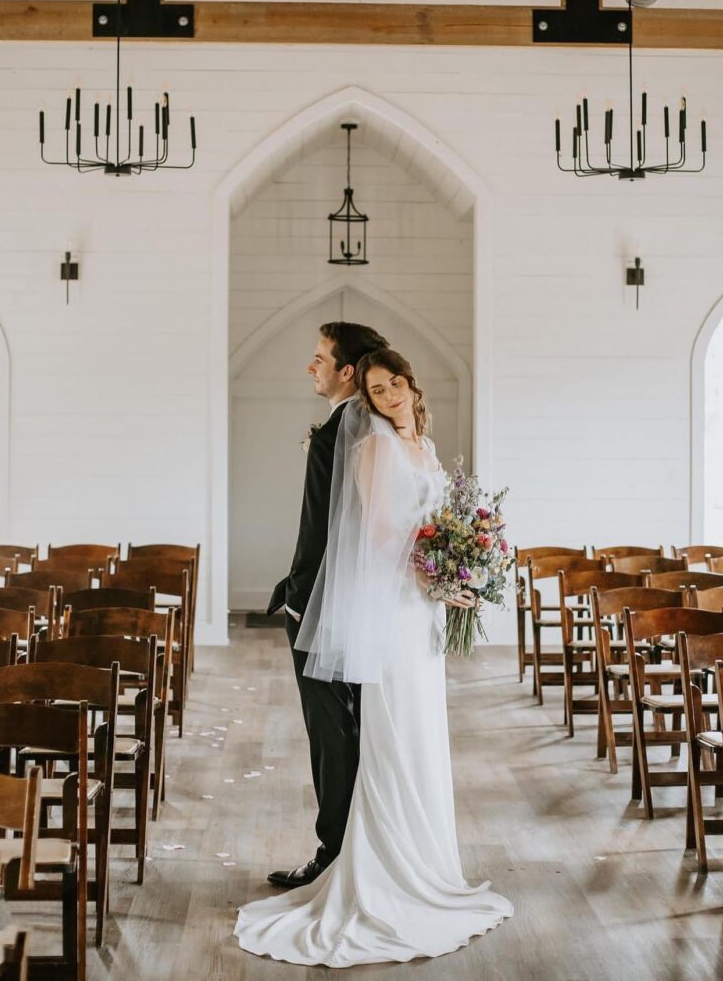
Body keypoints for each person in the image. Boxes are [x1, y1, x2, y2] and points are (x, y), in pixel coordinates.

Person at [236, 347, 512, 967]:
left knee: (422, 732)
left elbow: (438, 522)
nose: (387, 399)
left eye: (394, 387)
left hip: (423, 612)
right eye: (376, 392)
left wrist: (464, 567)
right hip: (397, 608)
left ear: (413, 386)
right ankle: (384, 872)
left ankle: (430, 862)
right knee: (393, 732)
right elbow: (380, 534)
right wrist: (440, 575)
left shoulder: (427, 452)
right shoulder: (374, 449)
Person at [266, 321, 389, 889]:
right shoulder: (371, 427)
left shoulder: (341, 430)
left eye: (319, 358)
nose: (309, 366)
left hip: (322, 605)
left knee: (330, 732)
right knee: (353, 726)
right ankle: (360, 848)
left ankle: (333, 853)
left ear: (347, 370)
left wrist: (296, 597)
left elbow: (319, 527)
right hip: (360, 601)